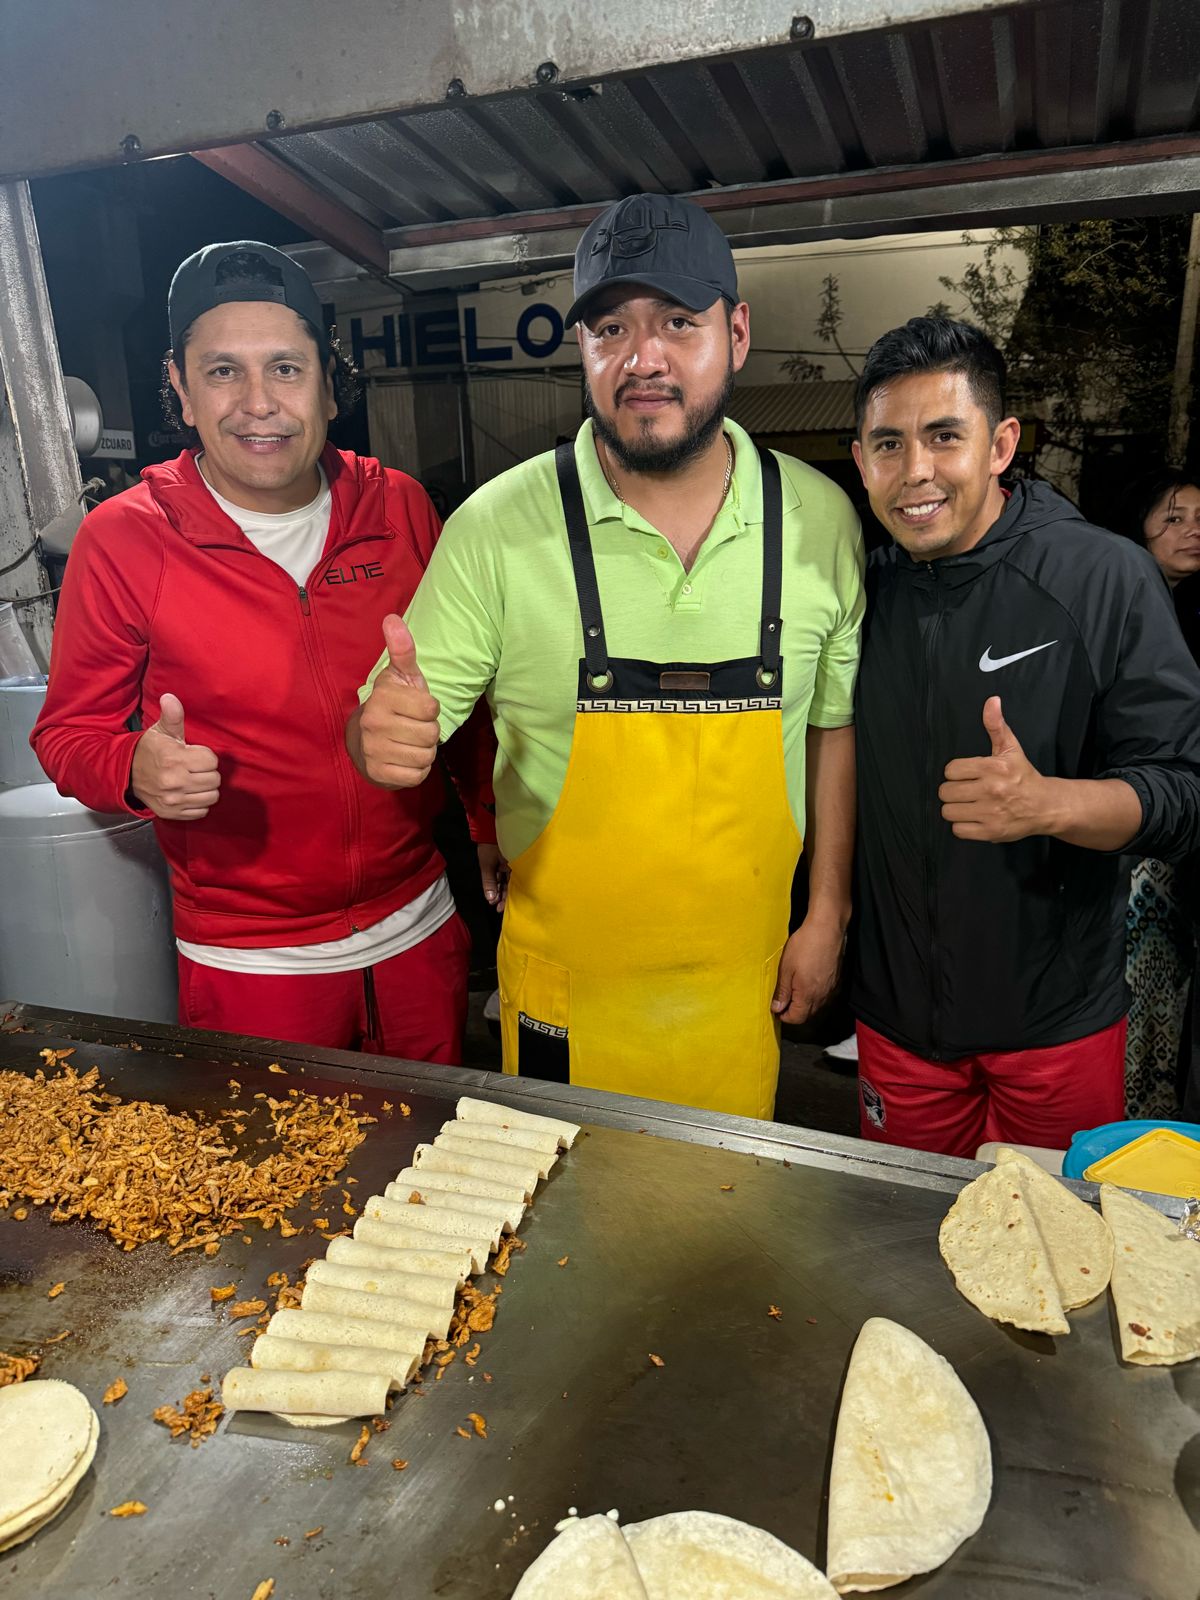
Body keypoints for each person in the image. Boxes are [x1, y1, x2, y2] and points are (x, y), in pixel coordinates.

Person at [349, 193, 865, 1119]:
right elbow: (388, 722)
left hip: (732, 1006)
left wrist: (825, 914)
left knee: (724, 1236)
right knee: (554, 1241)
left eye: (678, 321)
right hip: (562, 1006)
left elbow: (831, 731)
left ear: (736, 333)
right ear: (582, 348)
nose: (644, 358)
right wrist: (377, 738)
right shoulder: (497, 527)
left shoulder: (818, 523)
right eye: (611, 327)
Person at [32, 240, 497, 1063]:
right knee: (282, 1192)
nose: (258, 403)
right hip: (252, 966)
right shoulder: (125, 538)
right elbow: (66, 737)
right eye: (222, 372)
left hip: (419, 935)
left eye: (285, 368)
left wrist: (489, 822)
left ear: (327, 378)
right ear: (179, 384)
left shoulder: (400, 507)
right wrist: (134, 768)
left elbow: (454, 704)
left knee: (435, 1174)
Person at [848, 317, 1200, 1157]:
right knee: (901, 1264)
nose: (916, 472)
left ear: (1001, 444)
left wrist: (1051, 803)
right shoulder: (860, 589)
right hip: (897, 1028)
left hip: (1056, 1028)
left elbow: (1185, 792)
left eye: (944, 437)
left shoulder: (1103, 576)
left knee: (1063, 1268)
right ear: (860, 459)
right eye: (889, 444)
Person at [1119, 468, 1200, 1117]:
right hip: (1123, 826)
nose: (1191, 531)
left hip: (1182, 834)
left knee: (1168, 978)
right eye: (1174, 517)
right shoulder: (1115, 595)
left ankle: (1154, 1105)